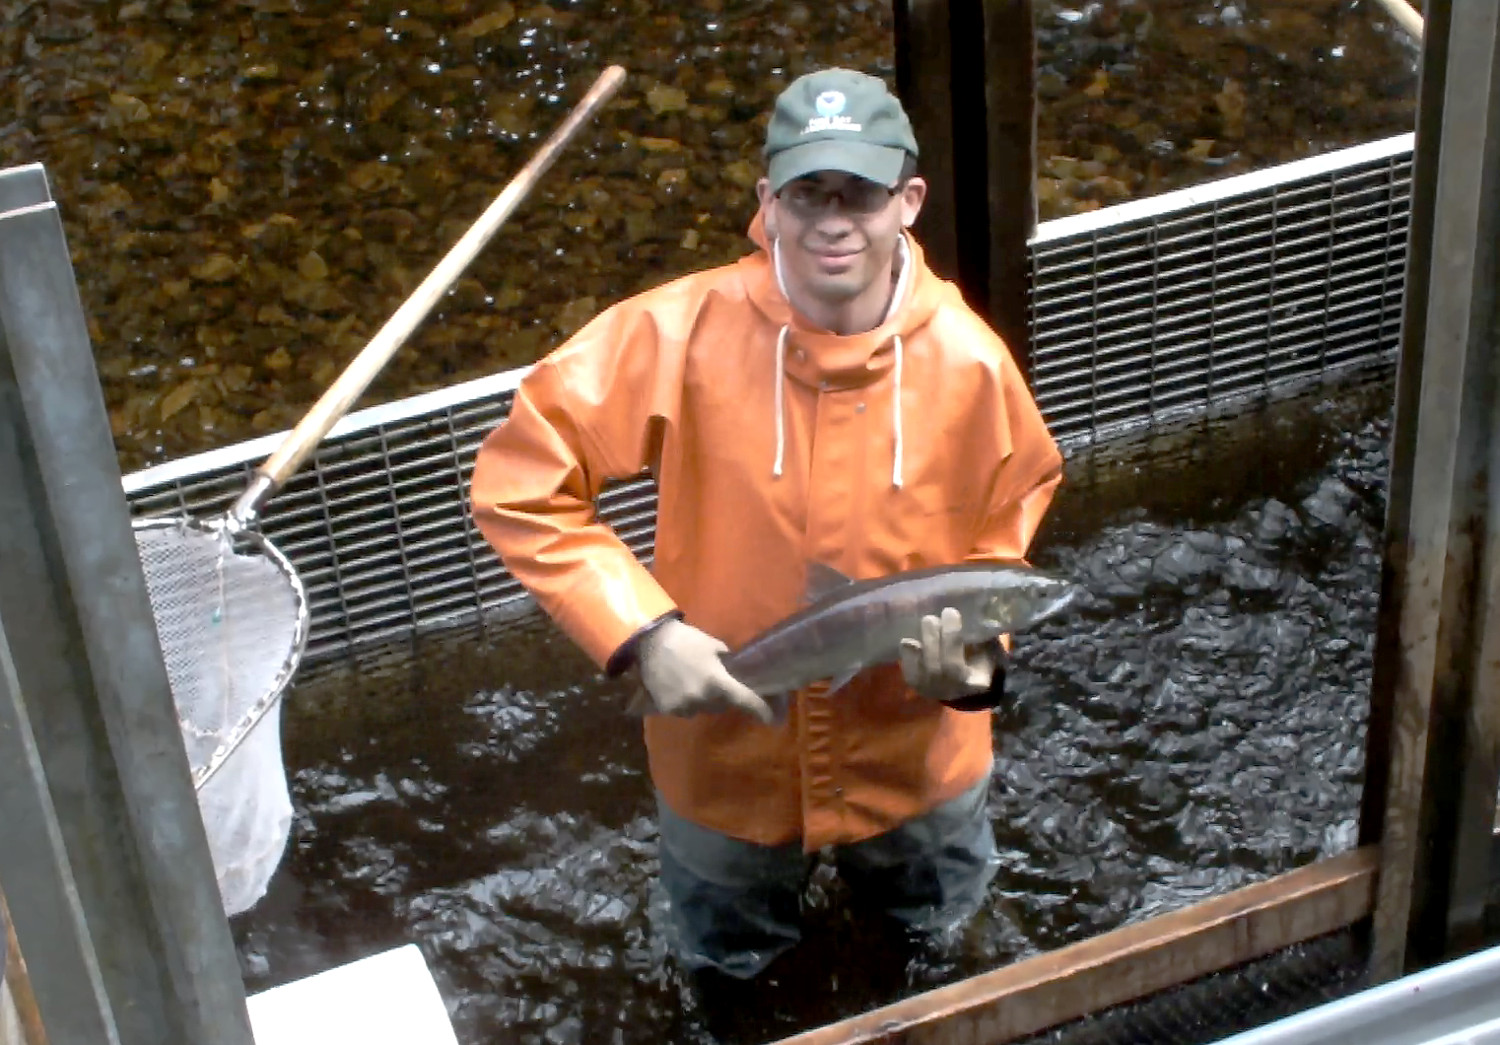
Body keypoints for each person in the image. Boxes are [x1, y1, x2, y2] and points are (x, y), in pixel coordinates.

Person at [469, 66, 1063, 982]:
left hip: (917, 764)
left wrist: (978, 670)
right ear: (767, 201)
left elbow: (998, 551)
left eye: (860, 194)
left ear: (908, 201)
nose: (834, 219)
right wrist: (640, 633)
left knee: (953, 950)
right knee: (728, 973)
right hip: (723, 762)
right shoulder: (672, 332)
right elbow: (521, 479)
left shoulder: (973, 364)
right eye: (808, 192)